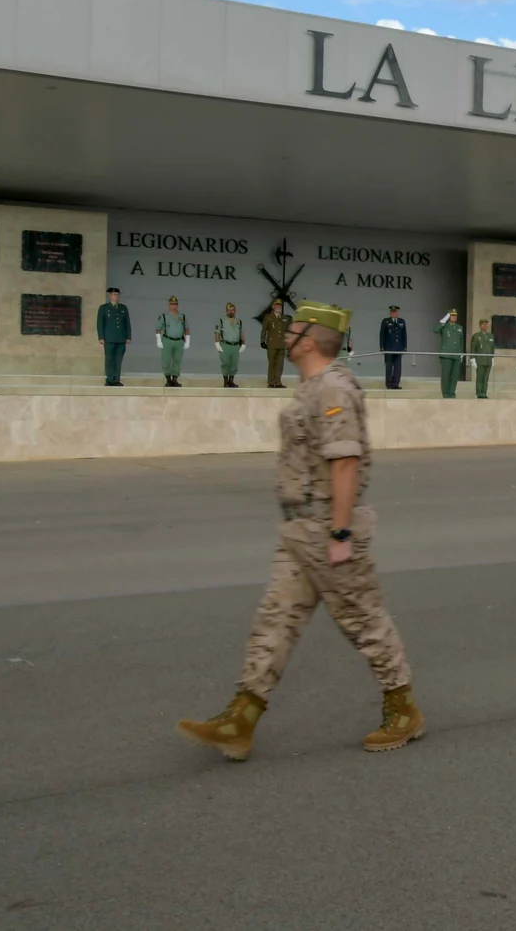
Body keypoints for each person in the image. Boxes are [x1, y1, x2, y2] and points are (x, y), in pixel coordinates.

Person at [175, 302, 420, 760]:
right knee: (275, 619)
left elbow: (344, 461)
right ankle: (241, 719)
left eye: (294, 328)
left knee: (364, 621)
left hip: (328, 527)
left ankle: (403, 708)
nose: (286, 333)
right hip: (301, 529)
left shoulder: (332, 388)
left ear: (311, 339)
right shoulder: (312, 386)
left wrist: (341, 535)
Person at [96, 287, 131, 386]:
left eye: (117, 294)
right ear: (110, 295)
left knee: (118, 360)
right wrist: (101, 337)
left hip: (121, 338)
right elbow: (100, 323)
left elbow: (127, 323)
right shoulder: (104, 308)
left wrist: (128, 336)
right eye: (114, 294)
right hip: (109, 338)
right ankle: (110, 379)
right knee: (109, 359)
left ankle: (116, 379)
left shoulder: (123, 308)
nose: (116, 296)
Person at [156, 295, 190, 387]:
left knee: (177, 360)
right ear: (169, 305)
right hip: (167, 340)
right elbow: (158, 328)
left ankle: (175, 379)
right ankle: (168, 379)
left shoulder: (182, 316)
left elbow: (186, 328)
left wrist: (187, 340)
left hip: (179, 341)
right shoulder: (164, 316)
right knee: (166, 360)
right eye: (172, 304)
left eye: (175, 304)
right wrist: (158, 340)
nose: (174, 306)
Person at [261, 298, 291, 388]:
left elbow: (288, 331)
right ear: (273, 307)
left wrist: (289, 342)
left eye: (280, 306)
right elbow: (264, 330)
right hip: (272, 344)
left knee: (280, 364)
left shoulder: (285, 318)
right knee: (272, 363)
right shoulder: (268, 317)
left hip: (282, 344)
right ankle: (271, 382)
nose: (279, 307)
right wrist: (262, 341)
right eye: (277, 305)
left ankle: (278, 382)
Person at [435, 310, 465, 398]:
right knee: (446, 375)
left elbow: (461, 341)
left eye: (455, 316)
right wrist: (444, 320)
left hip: (456, 355)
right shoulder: (444, 326)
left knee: (454, 376)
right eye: (452, 315)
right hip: (446, 354)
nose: (454, 317)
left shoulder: (459, 327)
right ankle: (445, 393)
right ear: (448, 317)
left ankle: (452, 393)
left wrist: (461, 353)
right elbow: (435, 329)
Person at [214, 303, 245, 388]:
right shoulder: (221, 320)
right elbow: (217, 332)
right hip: (225, 344)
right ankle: (226, 381)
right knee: (225, 363)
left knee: (234, 364)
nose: (231, 312)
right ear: (226, 311)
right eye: (229, 310)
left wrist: (243, 343)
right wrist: (217, 343)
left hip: (235, 345)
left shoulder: (239, 321)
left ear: (235, 310)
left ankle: (231, 381)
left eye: (233, 310)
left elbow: (241, 333)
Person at [379, 306, 408, 390]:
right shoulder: (386, 321)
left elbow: (404, 335)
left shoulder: (401, 321)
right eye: (392, 312)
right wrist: (382, 346)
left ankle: (395, 384)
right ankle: (388, 384)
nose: (394, 313)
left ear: (397, 312)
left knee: (398, 367)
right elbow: (382, 334)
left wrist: (405, 346)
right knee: (389, 366)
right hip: (389, 347)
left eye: (395, 312)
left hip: (399, 347)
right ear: (390, 313)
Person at [469, 318, 496, 399]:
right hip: (480, 360)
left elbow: (492, 348)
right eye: (483, 324)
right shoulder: (476, 336)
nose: (485, 326)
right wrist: (472, 359)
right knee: (480, 378)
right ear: (480, 325)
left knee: (486, 378)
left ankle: (484, 393)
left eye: (486, 324)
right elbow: (473, 348)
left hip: (488, 360)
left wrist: (492, 358)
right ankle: (479, 393)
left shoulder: (490, 336)